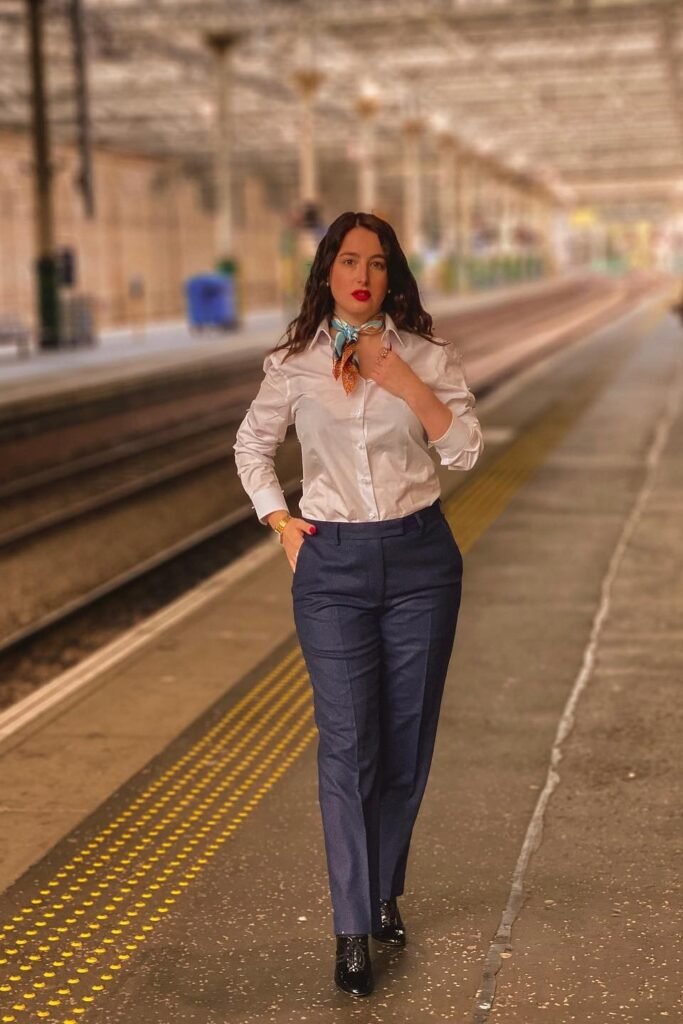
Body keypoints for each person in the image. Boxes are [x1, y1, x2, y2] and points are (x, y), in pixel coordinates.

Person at [234, 211, 483, 998]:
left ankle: (381, 893)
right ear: (328, 272)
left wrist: (401, 379)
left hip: (420, 561)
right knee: (348, 746)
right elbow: (251, 447)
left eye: (376, 263)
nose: (362, 276)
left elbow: (464, 449)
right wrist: (280, 520)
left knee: (404, 743)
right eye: (348, 261)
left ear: (391, 275)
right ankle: (350, 928)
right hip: (332, 566)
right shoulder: (294, 363)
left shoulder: (427, 355)